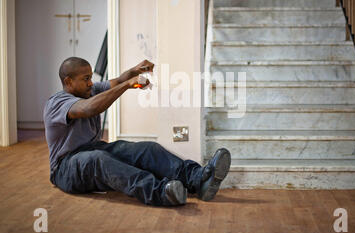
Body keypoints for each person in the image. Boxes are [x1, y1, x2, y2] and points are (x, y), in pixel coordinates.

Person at [43, 57, 231, 206]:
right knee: (98, 160)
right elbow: (88, 109)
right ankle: (162, 192)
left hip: (94, 149)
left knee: (147, 149)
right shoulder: (56, 103)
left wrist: (135, 71)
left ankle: (198, 179)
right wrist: (127, 85)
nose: (92, 83)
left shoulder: (88, 90)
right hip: (65, 168)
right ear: (68, 82)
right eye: (86, 79)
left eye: (91, 77)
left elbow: (117, 81)